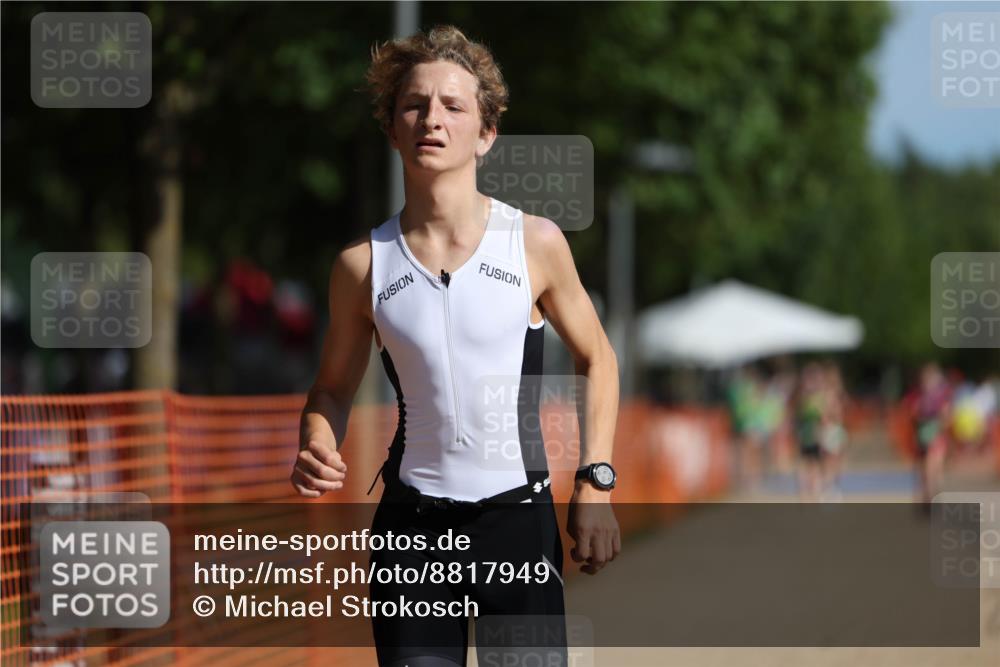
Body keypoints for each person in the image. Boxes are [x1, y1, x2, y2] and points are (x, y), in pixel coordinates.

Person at [290, 25, 621, 667]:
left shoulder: (534, 243)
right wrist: (316, 440)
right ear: (391, 128)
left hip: (516, 524)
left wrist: (596, 485)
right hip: (411, 530)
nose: (431, 120)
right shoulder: (363, 266)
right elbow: (331, 388)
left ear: (486, 132)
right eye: (413, 105)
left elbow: (598, 357)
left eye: (453, 106)